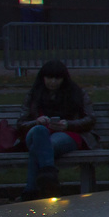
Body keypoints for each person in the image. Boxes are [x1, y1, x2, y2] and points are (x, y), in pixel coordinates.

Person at [18, 60, 97, 199]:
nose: (53, 82)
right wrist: (36, 122)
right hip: (37, 133)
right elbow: (21, 123)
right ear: (43, 78)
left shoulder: (76, 93)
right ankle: (50, 178)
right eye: (49, 78)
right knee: (39, 132)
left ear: (63, 79)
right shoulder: (34, 95)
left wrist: (68, 124)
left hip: (68, 133)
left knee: (40, 147)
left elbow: (90, 119)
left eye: (57, 78)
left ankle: (30, 191)